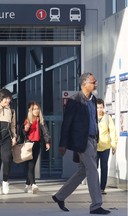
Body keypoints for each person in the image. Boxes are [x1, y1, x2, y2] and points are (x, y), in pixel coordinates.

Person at [52, 72, 111, 215]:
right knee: (92, 170)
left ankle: (60, 196)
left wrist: (96, 138)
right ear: (84, 84)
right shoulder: (74, 100)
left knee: (83, 171)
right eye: (93, 81)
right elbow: (66, 124)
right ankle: (96, 205)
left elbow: (93, 121)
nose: (95, 83)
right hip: (82, 141)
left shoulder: (93, 99)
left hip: (92, 140)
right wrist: (63, 144)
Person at [22, 101, 51, 194]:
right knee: (30, 165)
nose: (36, 111)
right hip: (29, 144)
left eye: (37, 109)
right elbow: (22, 133)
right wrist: (26, 129)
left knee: (33, 165)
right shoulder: (28, 120)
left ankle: (27, 184)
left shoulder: (41, 120)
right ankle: (33, 184)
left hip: (37, 144)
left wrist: (47, 142)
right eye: (34, 109)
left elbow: (45, 132)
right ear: (30, 110)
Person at [96, 98, 118, 195]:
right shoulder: (92, 117)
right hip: (94, 147)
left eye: (101, 107)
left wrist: (114, 146)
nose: (99, 109)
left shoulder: (107, 118)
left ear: (104, 107)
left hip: (105, 146)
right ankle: (95, 187)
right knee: (94, 168)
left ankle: (102, 188)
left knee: (104, 167)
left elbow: (113, 132)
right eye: (97, 107)